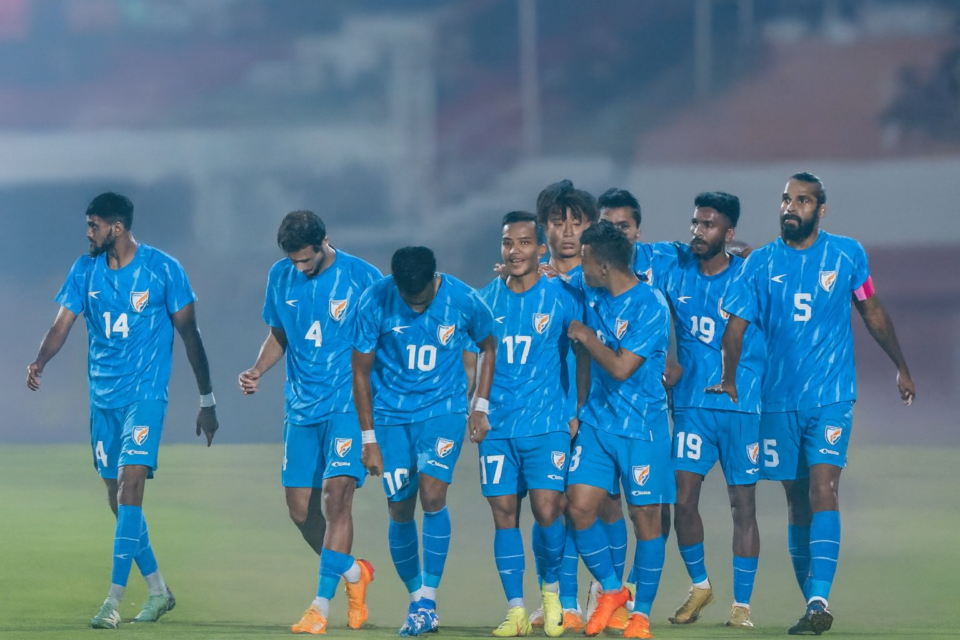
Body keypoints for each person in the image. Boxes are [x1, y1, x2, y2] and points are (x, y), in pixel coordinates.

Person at [708, 172, 916, 635]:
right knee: (797, 502)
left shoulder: (847, 255)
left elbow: (872, 310)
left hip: (832, 397)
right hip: (779, 401)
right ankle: (814, 606)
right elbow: (735, 328)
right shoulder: (759, 264)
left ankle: (820, 597)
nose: (791, 206)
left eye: (802, 200)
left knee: (825, 488)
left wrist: (900, 365)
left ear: (820, 210)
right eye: (786, 198)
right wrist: (728, 377)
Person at [26, 192, 219, 628]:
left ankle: (112, 601)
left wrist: (207, 400)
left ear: (116, 228)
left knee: (131, 487)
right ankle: (158, 591)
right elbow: (61, 325)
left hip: (145, 395)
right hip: (103, 400)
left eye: (93, 225)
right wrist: (40, 361)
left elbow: (191, 337)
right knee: (118, 500)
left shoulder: (163, 270)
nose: (87, 233)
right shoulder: (84, 270)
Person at [238, 210, 380, 634]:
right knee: (300, 511)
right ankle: (354, 572)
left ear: (324, 242)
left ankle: (320, 606)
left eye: (306, 260)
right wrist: (258, 370)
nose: (300, 267)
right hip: (300, 409)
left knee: (337, 501)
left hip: (346, 407)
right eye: (294, 260)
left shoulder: (362, 277)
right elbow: (279, 333)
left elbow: (385, 337)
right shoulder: (280, 277)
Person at [352, 246, 497, 636]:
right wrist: (368, 439)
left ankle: (429, 599)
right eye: (407, 298)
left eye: (422, 299)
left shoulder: (463, 298)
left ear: (436, 279)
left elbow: (488, 344)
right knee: (399, 508)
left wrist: (480, 405)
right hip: (390, 417)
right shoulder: (374, 300)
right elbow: (361, 373)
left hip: (443, 410)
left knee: (433, 496)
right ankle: (416, 598)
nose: (415, 306)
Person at [477, 211, 587, 637]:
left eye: (524, 243)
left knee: (548, 510)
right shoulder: (485, 300)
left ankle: (552, 594)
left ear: (541, 249)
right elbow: (476, 359)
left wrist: (577, 408)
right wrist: (478, 408)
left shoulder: (562, 297)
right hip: (498, 427)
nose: (515, 251)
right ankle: (516, 610)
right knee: (504, 514)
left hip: (548, 423)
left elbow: (581, 354)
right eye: (508, 243)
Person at [565, 221, 674, 640]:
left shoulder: (650, 305)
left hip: (642, 428)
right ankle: (612, 589)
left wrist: (588, 337)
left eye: (585, 259)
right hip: (596, 423)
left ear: (604, 265)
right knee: (578, 507)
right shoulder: (589, 286)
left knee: (646, 518)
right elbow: (555, 275)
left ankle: (641, 616)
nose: (581, 265)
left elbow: (622, 367)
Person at [659, 193, 764, 628]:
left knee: (743, 506)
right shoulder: (675, 270)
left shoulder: (751, 274)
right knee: (682, 501)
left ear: (730, 233)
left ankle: (742, 606)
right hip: (690, 407)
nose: (698, 232)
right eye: (695, 223)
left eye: (709, 225)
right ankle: (700, 584)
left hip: (741, 406)